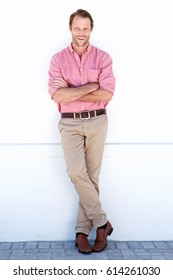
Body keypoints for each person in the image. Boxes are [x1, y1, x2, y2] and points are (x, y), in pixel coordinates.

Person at [48, 9, 116, 254]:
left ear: (91, 29)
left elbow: (107, 93)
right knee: (77, 172)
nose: (81, 33)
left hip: (97, 121)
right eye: (77, 28)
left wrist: (72, 89)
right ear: (70, 29)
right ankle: (102, 223)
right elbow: (57, 95)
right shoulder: (58, 60)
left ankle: (80, 233)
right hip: (70, 123)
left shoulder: (103, 58)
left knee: (92, 177)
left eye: (85, 28)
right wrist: (90, 86)